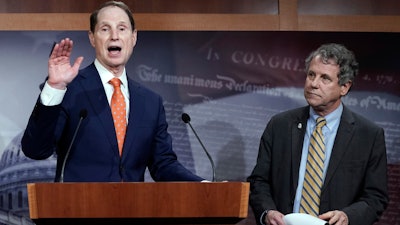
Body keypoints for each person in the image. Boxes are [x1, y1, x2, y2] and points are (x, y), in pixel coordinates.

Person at [21, 1, 204, 182]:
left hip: (133, 208)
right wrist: (55, 87)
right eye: (105, 29)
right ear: (92, 38)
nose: (114, 36)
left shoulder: (150, 102)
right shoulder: (70, 89)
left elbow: (163, 164)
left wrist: (203, 186)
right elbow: (36, 150)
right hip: (79, 208)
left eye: (122, 28)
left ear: (133, 38)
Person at [247, 43, 388, 225]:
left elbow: (376, 197)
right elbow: (259, 181)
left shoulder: (368, 135)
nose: (313, 84)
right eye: (311, 75)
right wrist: (267, 212)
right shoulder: (279, 125)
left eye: (325, 78)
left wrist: (348, 217)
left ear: (344, 87)